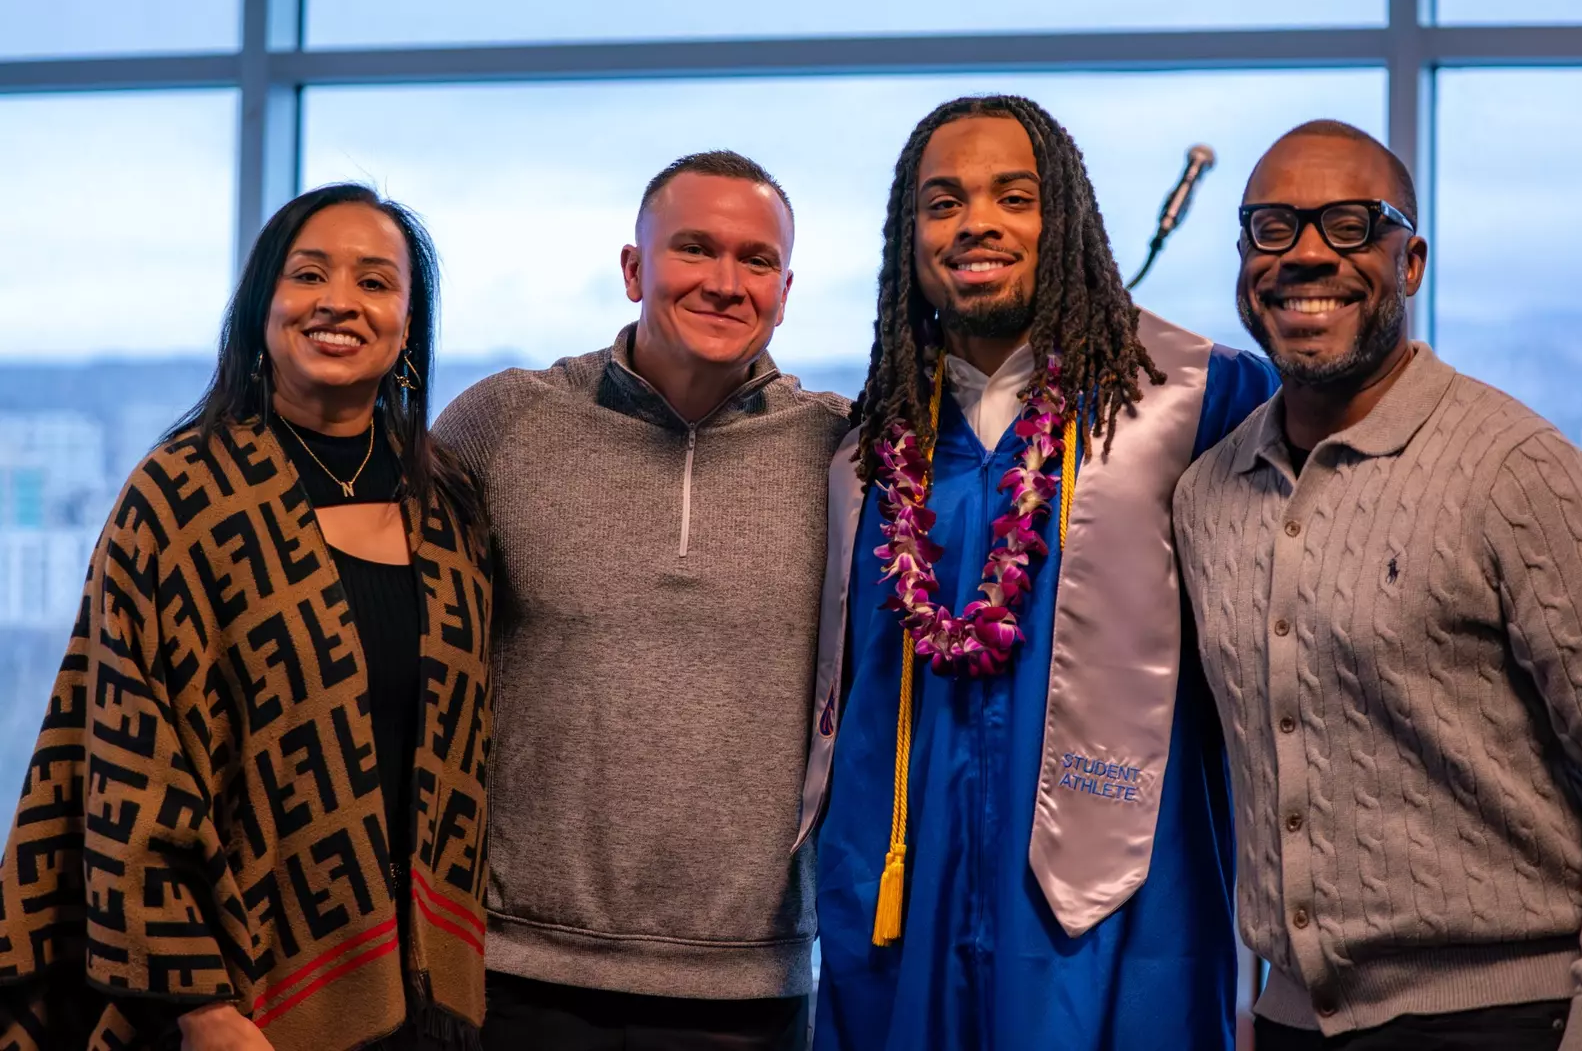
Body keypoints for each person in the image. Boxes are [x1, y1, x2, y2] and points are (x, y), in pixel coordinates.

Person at [801, 94, 1276, 1050]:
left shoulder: (1194, 399)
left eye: (1013, 197)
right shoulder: (867, 448)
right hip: (901, 895)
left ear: (1063, 221)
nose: (976, 222)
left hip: (1123, 903)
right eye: (943, 203)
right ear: (909, 235)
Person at [1174, 119, 1582, 1051]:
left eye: (1350, 225)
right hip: (1291, 1023)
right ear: (1243, 263)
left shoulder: (1518, 473)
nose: (1307, 254)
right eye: (1273, 228)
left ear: (1412, 261)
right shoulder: (1207, 495)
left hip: (1511, 1022)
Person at [0, 183, 494, 1051]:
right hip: (239, 1001)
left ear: (409, 325)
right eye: (310, 275)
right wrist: (202, 1008)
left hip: (428, 999)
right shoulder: (181, 497)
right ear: (263, 305)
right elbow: (128, 769)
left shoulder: (447, 503)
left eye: (377, 283)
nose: (340, 301)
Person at [435, 150, 849, 1051]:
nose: (725, 282)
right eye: (694, 250)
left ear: (785, 288)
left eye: (756, 260)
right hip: (517, 971)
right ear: (633, 269)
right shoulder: (505, 426)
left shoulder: (845, 454)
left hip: (753, 983)